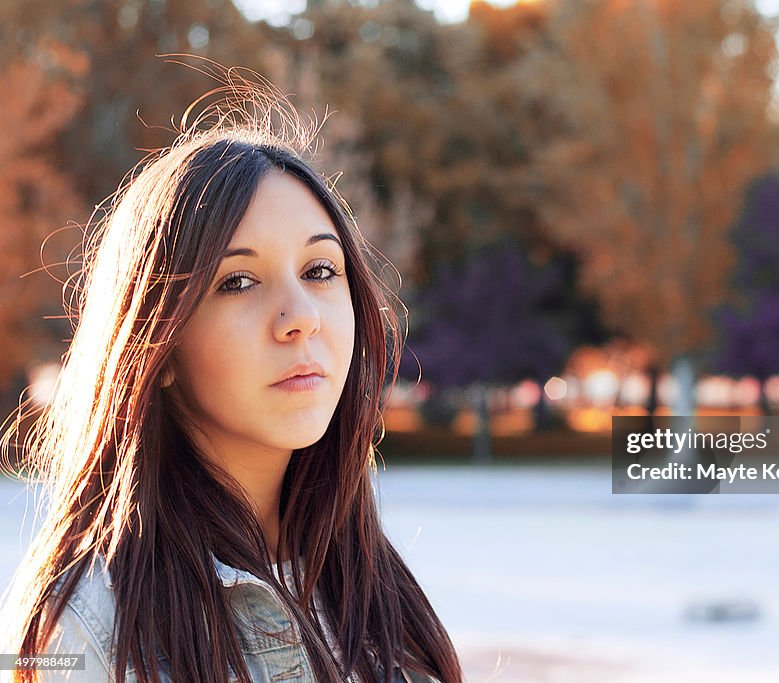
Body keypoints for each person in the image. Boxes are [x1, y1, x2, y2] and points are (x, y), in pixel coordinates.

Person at [0, 62, 462, 683]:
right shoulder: (75, 625)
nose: (300, 319)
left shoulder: (369, 588)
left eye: (321, 271)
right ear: (156, 345)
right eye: (238, 281)